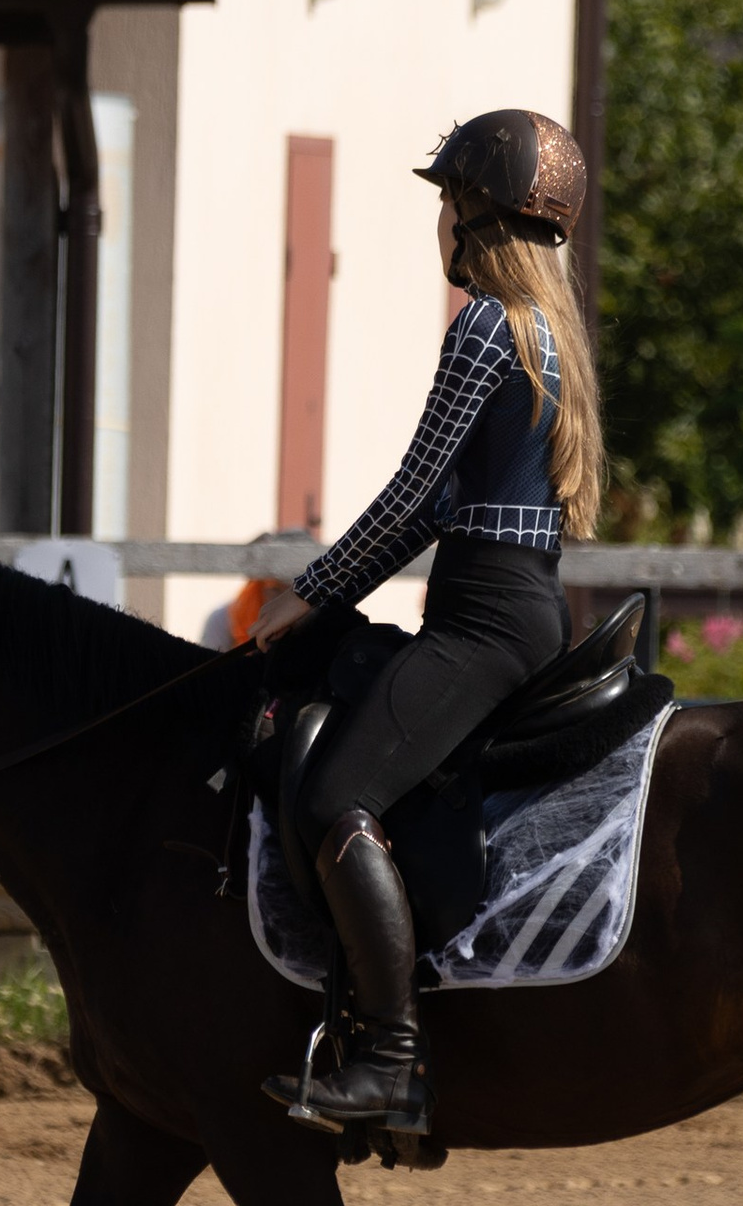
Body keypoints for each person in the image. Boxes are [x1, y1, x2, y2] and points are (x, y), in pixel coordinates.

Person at [252, 106, 604, 1133]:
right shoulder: (552, 335)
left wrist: (307, 593)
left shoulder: (486, 327)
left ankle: (391, 1063)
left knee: (335, 792)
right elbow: (443, 510)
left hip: (482, 621)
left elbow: (413, 498)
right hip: (526, 603)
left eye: (446, 199)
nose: (439, 218)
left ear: (470, 215)